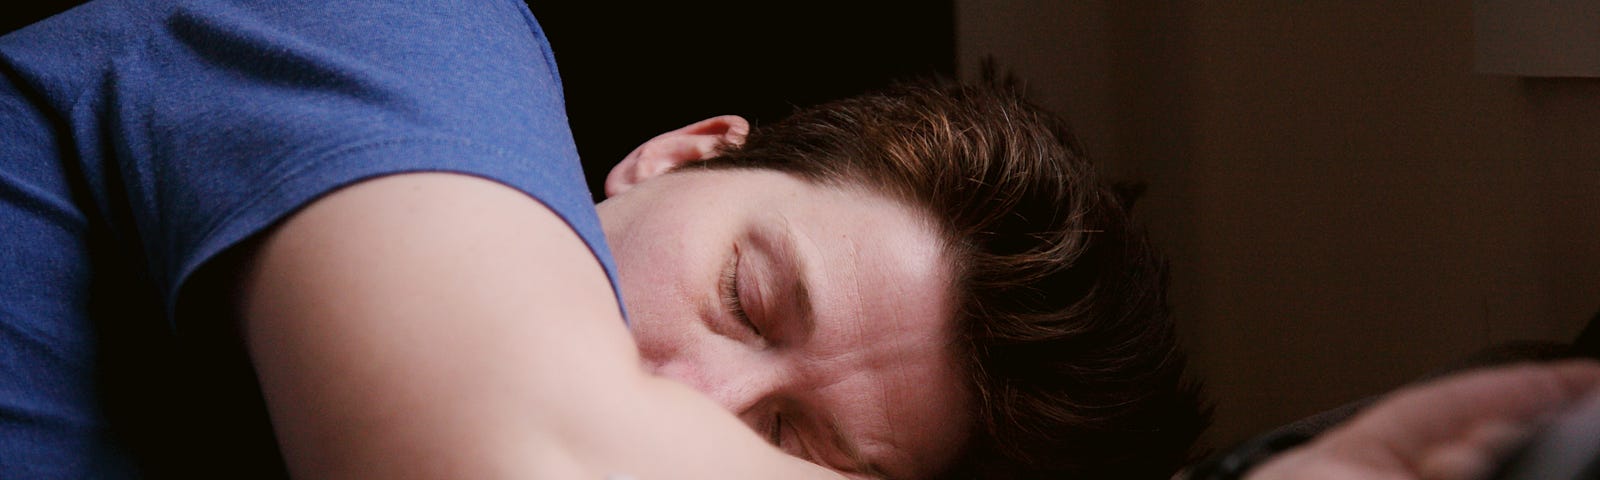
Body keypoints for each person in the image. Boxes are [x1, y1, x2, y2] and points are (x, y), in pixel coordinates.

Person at [1, 1, 1594, 479]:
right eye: (748, 294)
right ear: (676, 156)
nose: (685, 403)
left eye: (795, 449)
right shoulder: (403, 35)